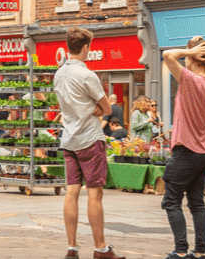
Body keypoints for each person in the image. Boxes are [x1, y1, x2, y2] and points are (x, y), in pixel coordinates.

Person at [55, 27, 123, 259]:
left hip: (69, 139)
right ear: (85, 47)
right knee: (95, 194)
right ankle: (100, 248)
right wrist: (94, 110)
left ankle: (72, 247)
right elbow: (107, 108)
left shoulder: (59, 74)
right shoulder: (87, 75)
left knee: (71, 192)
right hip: (89, 140)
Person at [160, 36, 205, 259]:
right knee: (197, 203)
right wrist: (199, 51)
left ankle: (181, 250)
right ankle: (200, 252)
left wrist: (190, 52)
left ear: (195, 58)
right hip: (204, 152)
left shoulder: (190, 80)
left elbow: (167, 55)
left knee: (171, 201)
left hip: (185, 150)